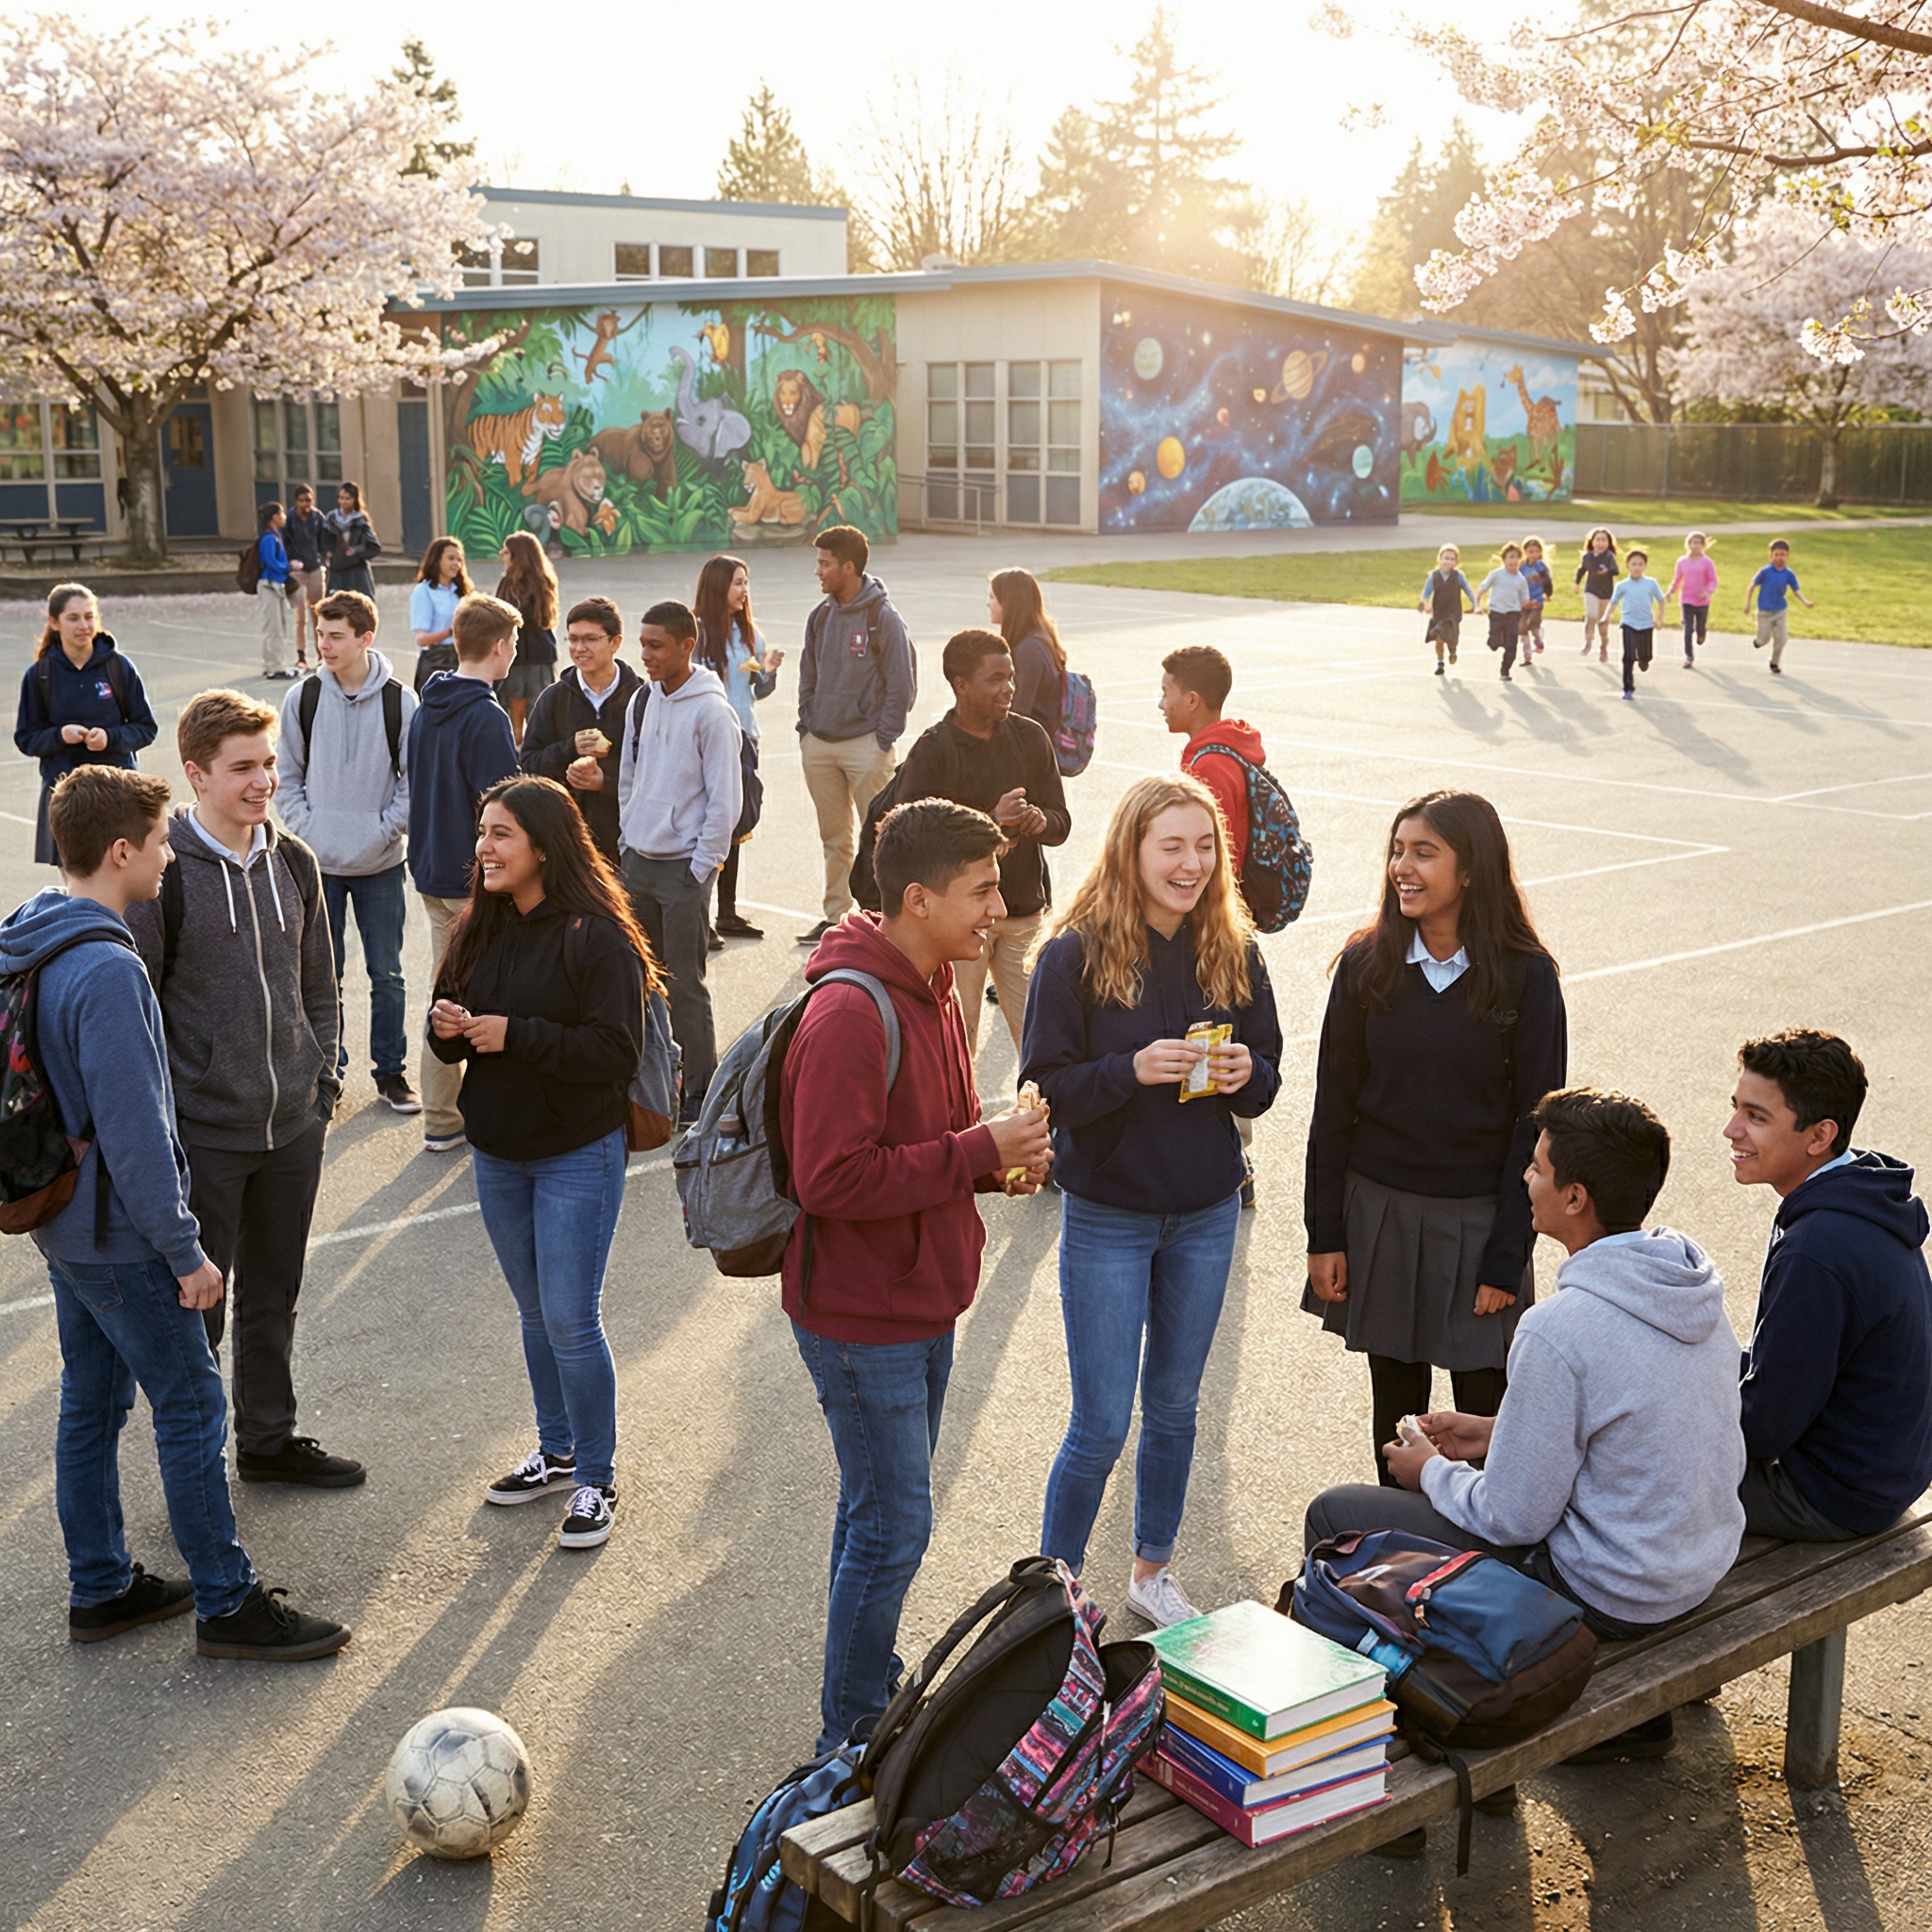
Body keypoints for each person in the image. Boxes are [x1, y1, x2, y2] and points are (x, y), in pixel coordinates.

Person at [2, 765, 349, 1659]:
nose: (167, 855)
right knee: (193, 1403)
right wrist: (188, 1254)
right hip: (121, 1236)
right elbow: (138, 1138)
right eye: (157, 843)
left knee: (91, 1402)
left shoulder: (30, 933)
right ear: (121, 851)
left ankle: (103, 1585)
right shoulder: (107, 969)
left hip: (64, 1223)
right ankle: (228, 1606)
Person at [1308, 1087, 1746, 1774]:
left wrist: (1431, 1471)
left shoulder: (1557, 1329)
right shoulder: (1686, 1284)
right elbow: (1627, 1423)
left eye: (1538, 1168)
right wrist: (1495, 1430)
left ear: (1575, 1198)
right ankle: (1636, 1724)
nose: (1524, 1179)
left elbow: (1512, 1518)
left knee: (1337, 1517)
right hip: (1695, 1564)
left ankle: (1445, 1744)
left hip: (1613, 1593)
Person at [784, 798, 1052, 1749]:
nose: (997, 903)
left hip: (919, 1293)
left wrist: (991, 1160)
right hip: (862, 1314)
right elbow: (828, 1175)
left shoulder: (935, 981)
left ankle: (863, 1692)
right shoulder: (850, 1010)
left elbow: (926, 1139)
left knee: (877, 1518)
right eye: (980, 888)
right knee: (892, 1524)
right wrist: (971, 1147)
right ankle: (850, 1731)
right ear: (916, 896)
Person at [1022, 774, 1281, 1627]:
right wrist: (1127, 1070)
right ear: (1130, 850)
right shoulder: (1075, 955)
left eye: (1205, 846)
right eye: (1172, 845)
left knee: (1174, 1407)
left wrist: (1250, 1076)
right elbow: (1046, 1087)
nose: (1192, 863)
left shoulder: (1234, 949)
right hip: (1109, 1217)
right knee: (1100, 1421)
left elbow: (1265, 1081)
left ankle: (1150, 1570)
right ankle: (1051, 1598)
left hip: (1205, 1210)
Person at [125, 690, 358, 1490]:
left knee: (275, 1295)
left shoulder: (293, 860)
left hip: (293, 1123)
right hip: (206, 1136)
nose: (264, 782)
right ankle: (195, 1475)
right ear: (195, 774)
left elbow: (320, 983)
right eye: (244, 768)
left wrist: (322, 1080)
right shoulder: (167, 877)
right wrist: (173, 1117)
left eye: (269, 764)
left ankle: (268, 1440)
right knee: (202, 1312)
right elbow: (140, 1012)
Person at [1304, 790, 1567, 1483]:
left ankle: (1485, 1556)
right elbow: (1333, 1107)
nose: (1403, 867)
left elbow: (1536, 1125)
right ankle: (1394, 1556)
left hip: (1479, 1222)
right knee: (1396, 1405)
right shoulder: (1366, 965)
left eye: (1424, 853)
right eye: (1397, 850)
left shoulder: (1526, 977)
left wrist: (1507, 1252)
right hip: (1380, 1214)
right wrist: (1324, 1233)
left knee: (1486, 1403)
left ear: (1471, 869)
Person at [429, 776, 651, 1552]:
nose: (484, 848)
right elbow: (447, 1032)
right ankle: (556, 1452)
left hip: (575, 1155)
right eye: (483, 832)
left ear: (543, 847)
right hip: (498, 1152)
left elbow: (617, 1051)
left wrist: (513, 1035)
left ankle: (595, 1476)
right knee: (534, 1315)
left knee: (570, 1317)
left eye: (501, 835)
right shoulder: (480, 926)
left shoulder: (597, 935)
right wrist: (448, 1026)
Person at [1725, 1029, 1932, 1540]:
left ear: (1819, 1136)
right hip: (1886, 1471)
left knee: (1629, 1469)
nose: (1731, 1130)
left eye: (1756, 1117)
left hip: (1835, 1495)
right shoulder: (1861, 1194)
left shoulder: (1818, 1247)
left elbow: (1766, 1427)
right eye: (1736, 1108)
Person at [276, 590, 421, 1115]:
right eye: (319, 634)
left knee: (387, 973)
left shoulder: (399, 701)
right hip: (319, 865)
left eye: (335, 636)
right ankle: (327, 1074)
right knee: (322, 976)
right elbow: (285, 778)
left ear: (366, 638)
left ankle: (390, 1073)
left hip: (381, 863)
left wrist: (384, 829)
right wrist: (309, 829)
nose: (324, 645)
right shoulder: (304, 698)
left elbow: (413, 781)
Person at [893, 628, 1068, 1061]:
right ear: (961, 686)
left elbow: (1061, 823)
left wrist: (1039, 820)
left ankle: (1048, 1123)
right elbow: (907, 839)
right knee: (957, 1038)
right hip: (956, 921)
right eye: (995, 679)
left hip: (1023, 913)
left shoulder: (1030, 738)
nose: (1008, 688)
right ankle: (962, 1126)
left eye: (1010, 677)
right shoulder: (932, 752)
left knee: (1043, 1037)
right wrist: (991, 823)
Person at [615, 600, 741, 1121]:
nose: (645, 655)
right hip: (637, 862)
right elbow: (627, 775)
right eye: (642, 644)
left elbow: (725, 799)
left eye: (656, 645)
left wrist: (701, 865)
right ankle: (654, 1080)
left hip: (684, 870)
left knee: (685, 986)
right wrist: (628, 836)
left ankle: (700, 1093)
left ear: (687, 646)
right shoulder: (642, 701)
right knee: (639, 979)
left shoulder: (713, 711)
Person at [407, 593, 523, 1155]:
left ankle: (440, 1117)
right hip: (473, 879)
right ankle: (460, 1115)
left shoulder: (427, 705)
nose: (514, 656)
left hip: (431, 871)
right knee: (471, 998)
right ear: (499, 647)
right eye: (514, 646)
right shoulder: (487, 715)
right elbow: (503, 809)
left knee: (445, 988)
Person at [1158, 644, 1272, 1204]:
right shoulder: (1223, 750)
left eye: (1166, 692)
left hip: (1211, 922)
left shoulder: (1210, 766)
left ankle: (1236, 1161)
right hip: (1214, 915)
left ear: (1193, 698)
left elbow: (1218, 857)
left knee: (1221, 1035)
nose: (1160, 703)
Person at [794, 525, 915, 944]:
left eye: (824, 564)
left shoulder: (882, 618)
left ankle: (881, 919)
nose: (818, 572)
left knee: (879, 836)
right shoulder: (821, 616)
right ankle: (835, 917)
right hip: (820, 744)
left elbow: (902, 686)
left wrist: (883, 737)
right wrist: (805, 728)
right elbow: (807, 676)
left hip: (867, 746)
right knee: (835, 837)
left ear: (849, 567)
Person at [14, 583, 158, 868]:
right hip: (66, 794)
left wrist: (110, 738)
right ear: (54, 623)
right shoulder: (40, 675)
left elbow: (145, 728)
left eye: (89, 616)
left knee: (122, 874)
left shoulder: (119, 667)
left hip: (117, 791)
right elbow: (26, 738)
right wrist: (60, 735)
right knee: (79, 882)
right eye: (73, 618)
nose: (84, 625)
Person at [694, 552, 783, 942]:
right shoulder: (695, 633)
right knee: (707, 825)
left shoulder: (750, 634)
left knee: (737, 826)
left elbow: (756, 691)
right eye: (737, 583)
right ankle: (700, 915)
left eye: (746, 583)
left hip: (745, 739)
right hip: (708, 742)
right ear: (718, 588)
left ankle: (727, 913)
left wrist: (768, 673)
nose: (744, 591)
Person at [518, 596, 643, 870]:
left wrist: (606, 781)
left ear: (615, 642)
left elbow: (657, 770)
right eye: (573, 639)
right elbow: (528, 765)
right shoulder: (553, 698)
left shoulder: (642, 699)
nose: (579, 649)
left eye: (590, 639)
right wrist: (568, 750)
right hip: (567, 843)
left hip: (629, 843)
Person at [492, 531, 559, 746]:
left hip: (519, 658)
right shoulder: (544, 581)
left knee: (526, 715)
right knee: (534, 715)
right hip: (537, 657)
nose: (502, 555)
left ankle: (521, 758)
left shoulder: (516, 584)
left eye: (506, 551)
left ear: (517, 555)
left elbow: (506, 617)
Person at [988, 566, 1066, 742]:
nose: (988, 604)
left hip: (1032, 753)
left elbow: (1017, 713)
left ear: (1008, 603)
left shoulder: (1029, 651)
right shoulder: (1037, 639)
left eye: (992, 597)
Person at [410, 536, 471, 695]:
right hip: (436, 662)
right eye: (451, 558)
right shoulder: (423, 592)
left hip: (463, 659)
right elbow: (421, 639)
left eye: (459, 559)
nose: (456, 564)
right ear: (437, 560)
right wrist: (452, 631)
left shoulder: (462, 592)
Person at [1746, 538, 1813, 675]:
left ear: (1787, 556)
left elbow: (1796, 591)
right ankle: (1758, 642)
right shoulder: (1764, 571)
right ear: (1771, 555)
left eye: (1783, 555)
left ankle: (1774, 662)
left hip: (1780, 611)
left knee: (1782, 639)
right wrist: (1747, 604)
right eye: (1776, 554)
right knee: (1763, 640)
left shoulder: (1788, 574)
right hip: (1764, 612)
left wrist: (1805, 602)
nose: (1779, 557)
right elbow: (1751, 587)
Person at [1608, 548, 1666, 701]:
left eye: (1640, 564)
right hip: (1628, 623)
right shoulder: (1622, 585)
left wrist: (1659, 618)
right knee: (1627, 656)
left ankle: (1644, 660)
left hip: (1646, 624)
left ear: (1645, 566)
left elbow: (1661, 600)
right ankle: (1628, 687)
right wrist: (1606, 617)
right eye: (1633, 564)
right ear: (1627, 565)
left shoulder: (1651, 583)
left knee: (1646, 655)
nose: (1637, 567)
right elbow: (1613, 603)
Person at [283, 484, 329, 672]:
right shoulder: (290, 519)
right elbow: (284, 542)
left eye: (308, 500)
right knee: (300, 616)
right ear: (296, 501)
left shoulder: (318, 518)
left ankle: (321, 655)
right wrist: (289, 564)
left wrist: (324, 559)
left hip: (315, 569)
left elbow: (324, 541)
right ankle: (301, 656)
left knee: (318, 614)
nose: (305, 504)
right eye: (302, 501)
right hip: (298, 572)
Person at [1475, 543, 1530, 683]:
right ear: (1504, 559)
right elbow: (1482, 589)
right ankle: (1493, 641)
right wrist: (1477, 605)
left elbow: (1525, 600)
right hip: (1496, 613)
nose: (1514, 561)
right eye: (1511, 557)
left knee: (1511, 645)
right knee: (1494, 643)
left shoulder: (1521, 580)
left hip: (1513, 614)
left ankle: (1505, 671)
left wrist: (1532, 604)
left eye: (1517, 558)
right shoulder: (1496, 575)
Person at [1418, 544, 1474, 676]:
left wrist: (1475, 605)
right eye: (1445, 558)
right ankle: (1440, 662)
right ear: (1439, 559)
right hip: (1439, 612)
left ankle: (1452, 650)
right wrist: (1422, 605)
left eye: (1451, 559)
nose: (1448, 561)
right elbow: (1426, 592)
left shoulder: (1458, 576)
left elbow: (1468, 591)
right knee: (1439, 638)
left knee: (1446, 635)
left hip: (1453, 613)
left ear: (1456, 562)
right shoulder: (1434, 576)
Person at [255, 502, 296, 681]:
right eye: (281, 513)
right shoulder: (269, 538)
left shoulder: (275, 535)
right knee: (274, 628)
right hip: (269, 585)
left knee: (278, 626)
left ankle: (273, 664)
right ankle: (274, 667)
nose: (284, 517)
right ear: (274, 517)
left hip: (275, 585)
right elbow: (271, 562)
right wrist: (288, 567)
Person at [1666, 529, 1718, 669]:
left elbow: (1713, 580)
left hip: (1702, 601)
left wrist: (1707, 592)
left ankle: (1701, 634)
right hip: (1686, 600)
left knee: (1700, 627)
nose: (1694, 545)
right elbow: (1677, 580)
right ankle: (1689, 656)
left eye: (1698, 543)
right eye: (1692, 542)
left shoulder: (1707, 562)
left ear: (1703, 545)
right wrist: (1670, 591)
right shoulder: (1682, 562)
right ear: (1687, 544)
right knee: (1687, 629)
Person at [323, 481, 380, 600]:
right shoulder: (331, 519)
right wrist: (328, 552)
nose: (343, 502)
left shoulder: (360, 521)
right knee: (335, 607)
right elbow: (324, 541)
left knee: (360, 607)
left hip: (357, 572)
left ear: (354, 499)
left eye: (347, 498)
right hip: (337, 570)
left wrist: (356, 552)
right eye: (341, 498)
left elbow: (374, 547)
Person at [1574, 527, 1619, 661]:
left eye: (1604, 540)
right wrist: (1577, 583)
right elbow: (1582, 570)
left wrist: (1607, 570)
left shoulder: (1609, 557)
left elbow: (1616, 570)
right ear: (1592, 542)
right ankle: (1588, 641)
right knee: (1591, 615)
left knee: (1603, 623)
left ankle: (1604, 646)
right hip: (1591, 590)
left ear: (1608, 542)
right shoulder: (1587, 557)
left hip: (1606, 594)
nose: (1600, 543)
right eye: (1598, 539)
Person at [1518, 536, 1553, 656]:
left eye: (1537, 552)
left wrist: (1548, 594)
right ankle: (1527, 652)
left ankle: (1538, 639)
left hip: (1537, 600)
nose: (1534, 554)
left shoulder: (1541, 567)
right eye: (1531, 552)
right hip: (1524, 600)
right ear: (1525, 552)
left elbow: (1547, 582)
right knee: (1522, 627)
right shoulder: (1521, 567)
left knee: (1533, 623)